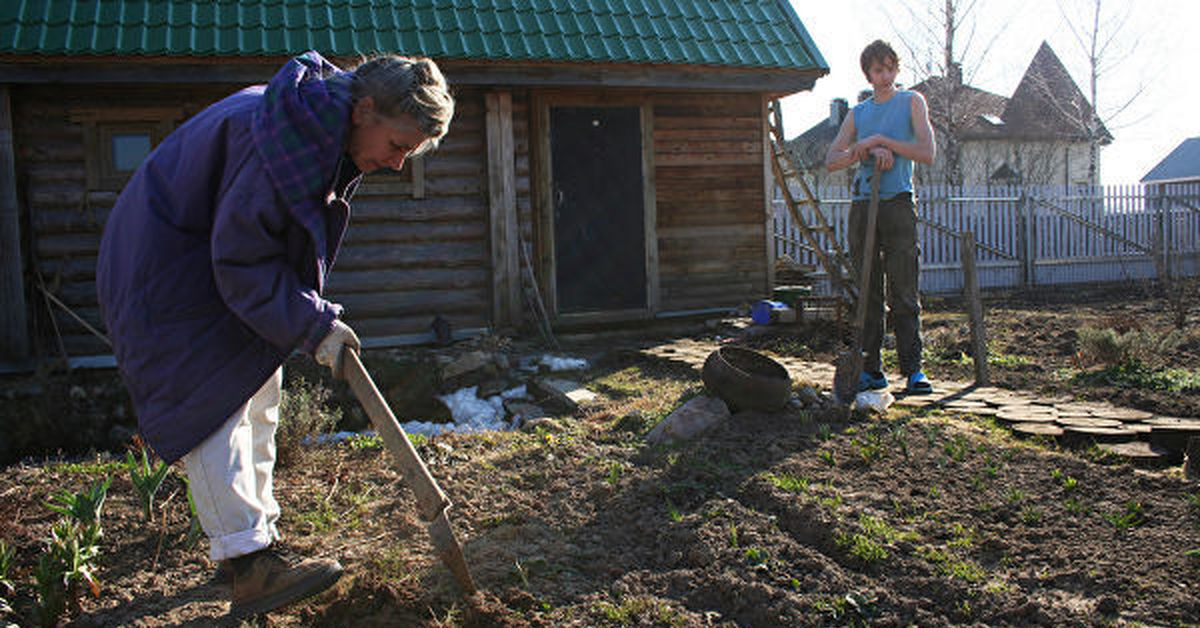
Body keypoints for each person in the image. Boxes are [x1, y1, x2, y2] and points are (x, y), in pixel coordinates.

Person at [96, 51, 454, 618]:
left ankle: (256, 547)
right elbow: (241, 262)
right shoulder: (283, 141)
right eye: (398, 145)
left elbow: (260, 246)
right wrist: (312, 324)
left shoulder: (311, 127)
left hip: (201, 262)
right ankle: (248, 564)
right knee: (215, 406)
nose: (397, 164)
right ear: (364, 109)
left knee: (259, 389)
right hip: (165, 272)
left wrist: (311, 318)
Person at [825, 39, 936, 395]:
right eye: (877, 70)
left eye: (890, 68)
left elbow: (927, 152)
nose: (885, 75)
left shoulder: (912, 102)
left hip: (898, 203)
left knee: (904, 287)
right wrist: (864, 149)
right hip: (863, 204)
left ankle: (913, 370)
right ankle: (872, 369)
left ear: (896, 69)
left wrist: (883, 141)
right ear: (868, 74)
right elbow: (832, 159)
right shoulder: (859, 112)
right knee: (869, 290)